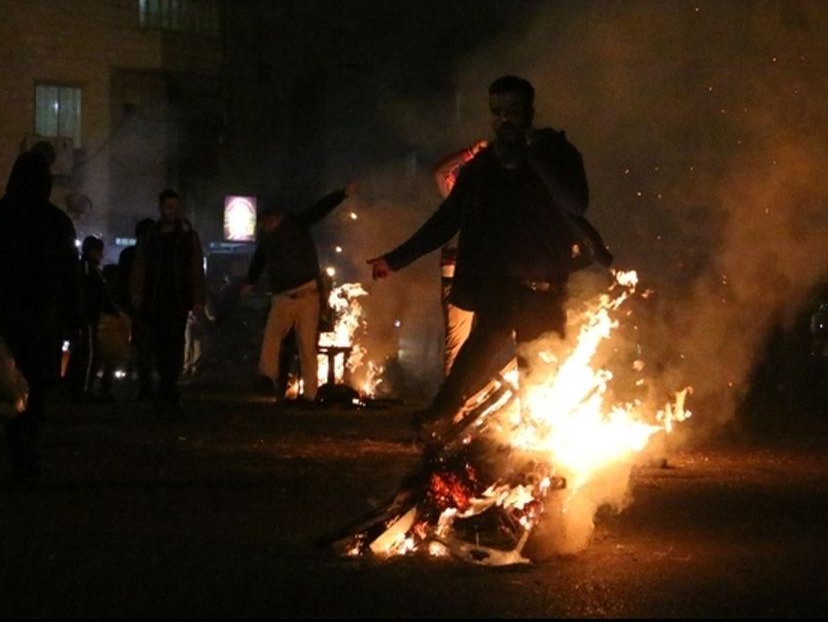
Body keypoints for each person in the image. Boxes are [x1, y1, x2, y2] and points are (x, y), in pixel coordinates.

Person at [367, 75, 591, 439]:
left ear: (529, 112)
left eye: (512, 111)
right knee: (477, 349)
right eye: (497, 112)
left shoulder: (556, 153)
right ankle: (440, 414)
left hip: (544, 288)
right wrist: (395, 260)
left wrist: (536, 159)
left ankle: (538, 443)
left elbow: (575, 204)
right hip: (500, 284)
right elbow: (445, 221)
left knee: (540, 372)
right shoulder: (482, 168)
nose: (504, 119)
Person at [0, 150, 78, 479]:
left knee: (10, 383)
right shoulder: (56, 221)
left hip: (6, 315)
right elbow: (69, 274)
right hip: (42, 316)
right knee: (37, 384)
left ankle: (17, 446)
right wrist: (71, 317)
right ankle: (28, 446)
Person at [243, 183, 357, 402]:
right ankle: (267, 377)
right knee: (272, 336)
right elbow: (259, 259)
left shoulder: (296, 223)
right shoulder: (266, 238)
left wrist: (341, 194)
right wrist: (250, 281)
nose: (264, 227)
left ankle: (310, 395)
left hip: (307, 294)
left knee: (306, 346)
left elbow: (320, 209)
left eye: (266, 222)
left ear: (275, 219)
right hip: (283, 297)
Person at [130, 189, 205, 416]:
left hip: (177, 298)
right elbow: (140, 264)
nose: (171, 211)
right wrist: (137, 292)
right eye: (168, 207)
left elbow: (195, 269)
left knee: (173, 345)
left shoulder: (187, 236)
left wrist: (197, 299)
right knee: (160, 345)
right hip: (156, 298)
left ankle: (168, 388)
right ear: (161, 208)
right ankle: (166, 388)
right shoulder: (151, 236)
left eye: (175, 207)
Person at [432, 141, 487, 376]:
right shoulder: (458, 195)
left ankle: (469, 396)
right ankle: (452, 407)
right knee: (458, 341)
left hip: (485, 273)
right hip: (456, 273)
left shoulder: (499, 198)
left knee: (488, 340)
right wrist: (470, 152)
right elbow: (440, 172)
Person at [74, 236, 118, 401]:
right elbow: (96, 295)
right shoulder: (88, 270)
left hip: (87, 315)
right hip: (87, 316)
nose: (102, 255)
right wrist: (110, 309)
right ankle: (84, 390)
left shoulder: (87, 268)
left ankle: (81, 389)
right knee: (91, 354)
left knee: (86, 353)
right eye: (100, 251)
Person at [116, 218, 155, 399]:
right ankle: (143, 384)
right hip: (145, 308)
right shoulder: (153, 255)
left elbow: (122, 281)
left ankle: (130, 377)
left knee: (138, 346)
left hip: (133, 308)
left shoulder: (127, 254)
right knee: (144, 347)